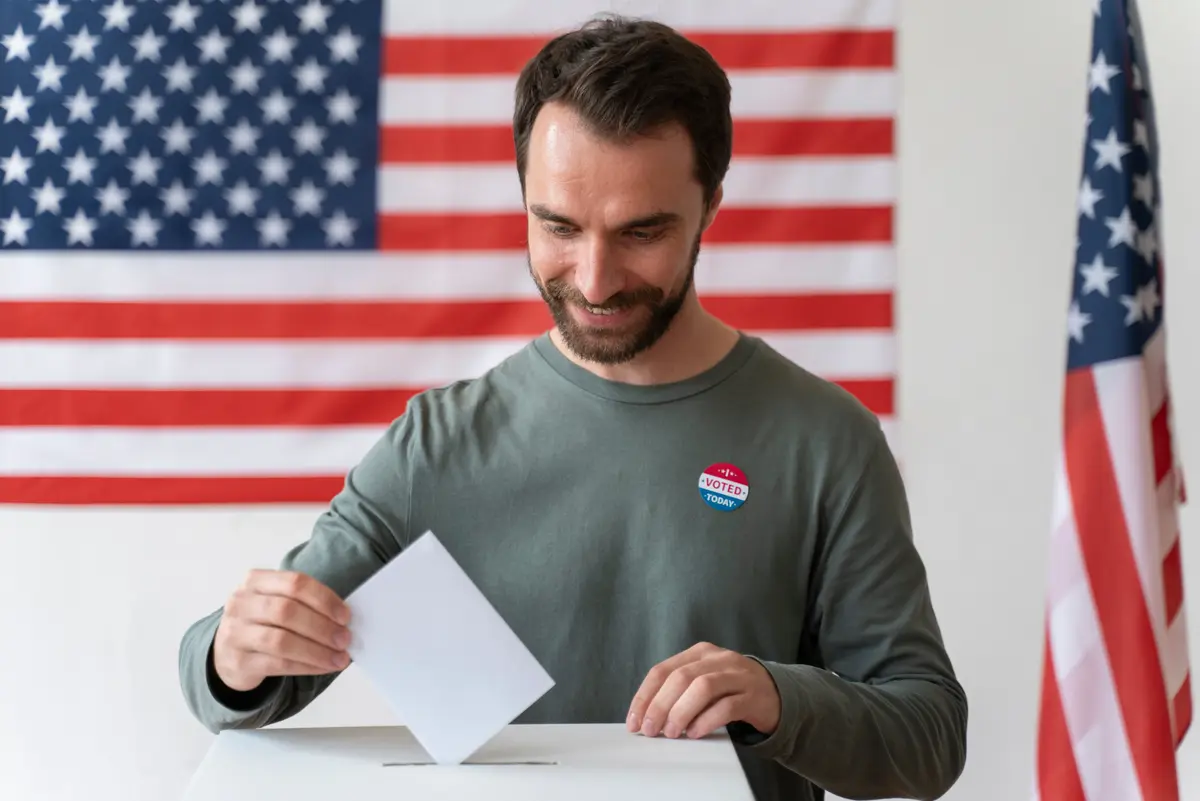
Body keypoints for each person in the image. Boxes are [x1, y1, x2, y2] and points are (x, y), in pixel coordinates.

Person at [178, 14, 968, 801]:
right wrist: (235, 657)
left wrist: (777, 697)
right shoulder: (438, 442)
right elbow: (226, 682)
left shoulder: (825, 440)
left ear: (712, 205)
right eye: (558, 226)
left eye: (642, 232)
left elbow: (929, 735)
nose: (594, 280)